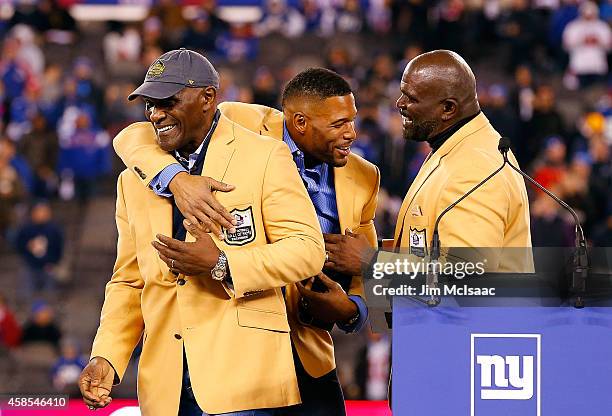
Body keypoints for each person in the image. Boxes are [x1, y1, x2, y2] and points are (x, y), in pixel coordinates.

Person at [112, 68, 380, 415]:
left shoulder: (363, 176)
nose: (352, 134)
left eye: (352, 121)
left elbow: (367, 283)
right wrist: (177, 179)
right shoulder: (243, 122)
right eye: (338, 124)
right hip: (237, 353)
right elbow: (135, 137)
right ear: (299, 121)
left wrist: (351, 310)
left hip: (307, 352)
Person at [78, 49, 325, 416]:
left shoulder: (263, 156)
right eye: (149, 104)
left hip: (246, 383)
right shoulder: (134, 180)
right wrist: (107, 356)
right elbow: (129, 282)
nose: (155, 114)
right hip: (167, 390)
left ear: (208, 97)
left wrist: (223, 263)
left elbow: (308, 250)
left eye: (168, 101)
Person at [330, 49, 532, 277]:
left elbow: (467, 279)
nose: (399, 103)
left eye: (412, 98)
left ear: (448, 108)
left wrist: (371, 262)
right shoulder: (456, 145)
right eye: (402, 93)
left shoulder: (474, 168)